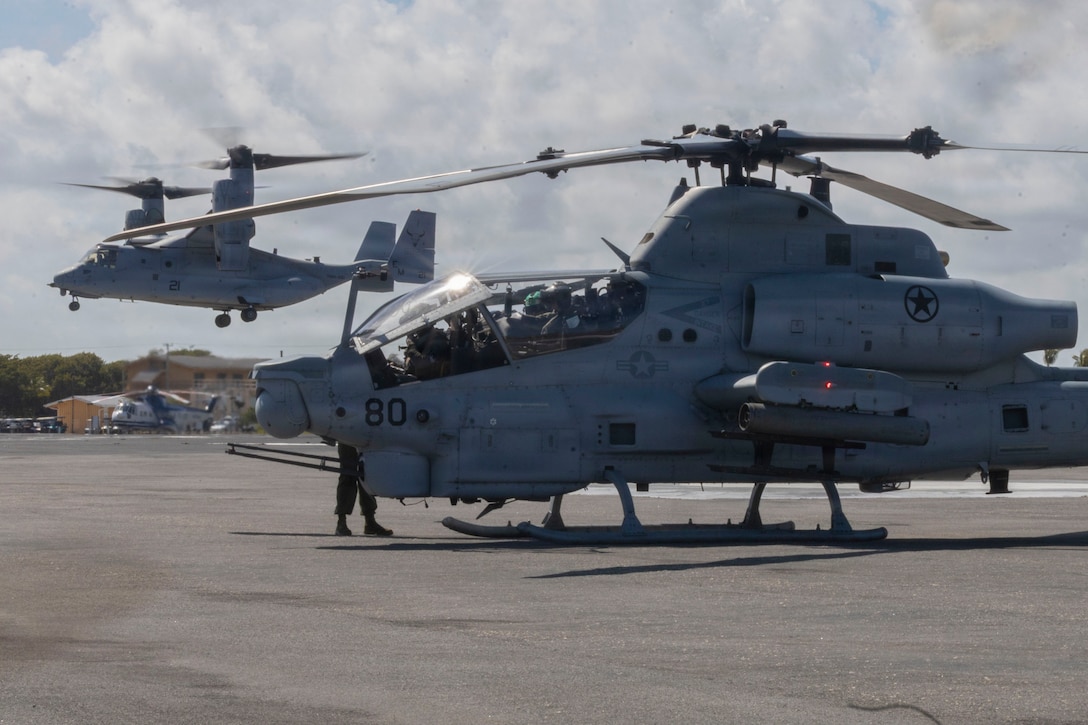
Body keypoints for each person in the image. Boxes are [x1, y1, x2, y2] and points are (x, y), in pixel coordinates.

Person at [335, 442, 393, 537]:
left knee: (366, 477)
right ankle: (341, 522)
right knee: (348, 476)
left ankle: (370, 521)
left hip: (365, 438)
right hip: (347, 438)